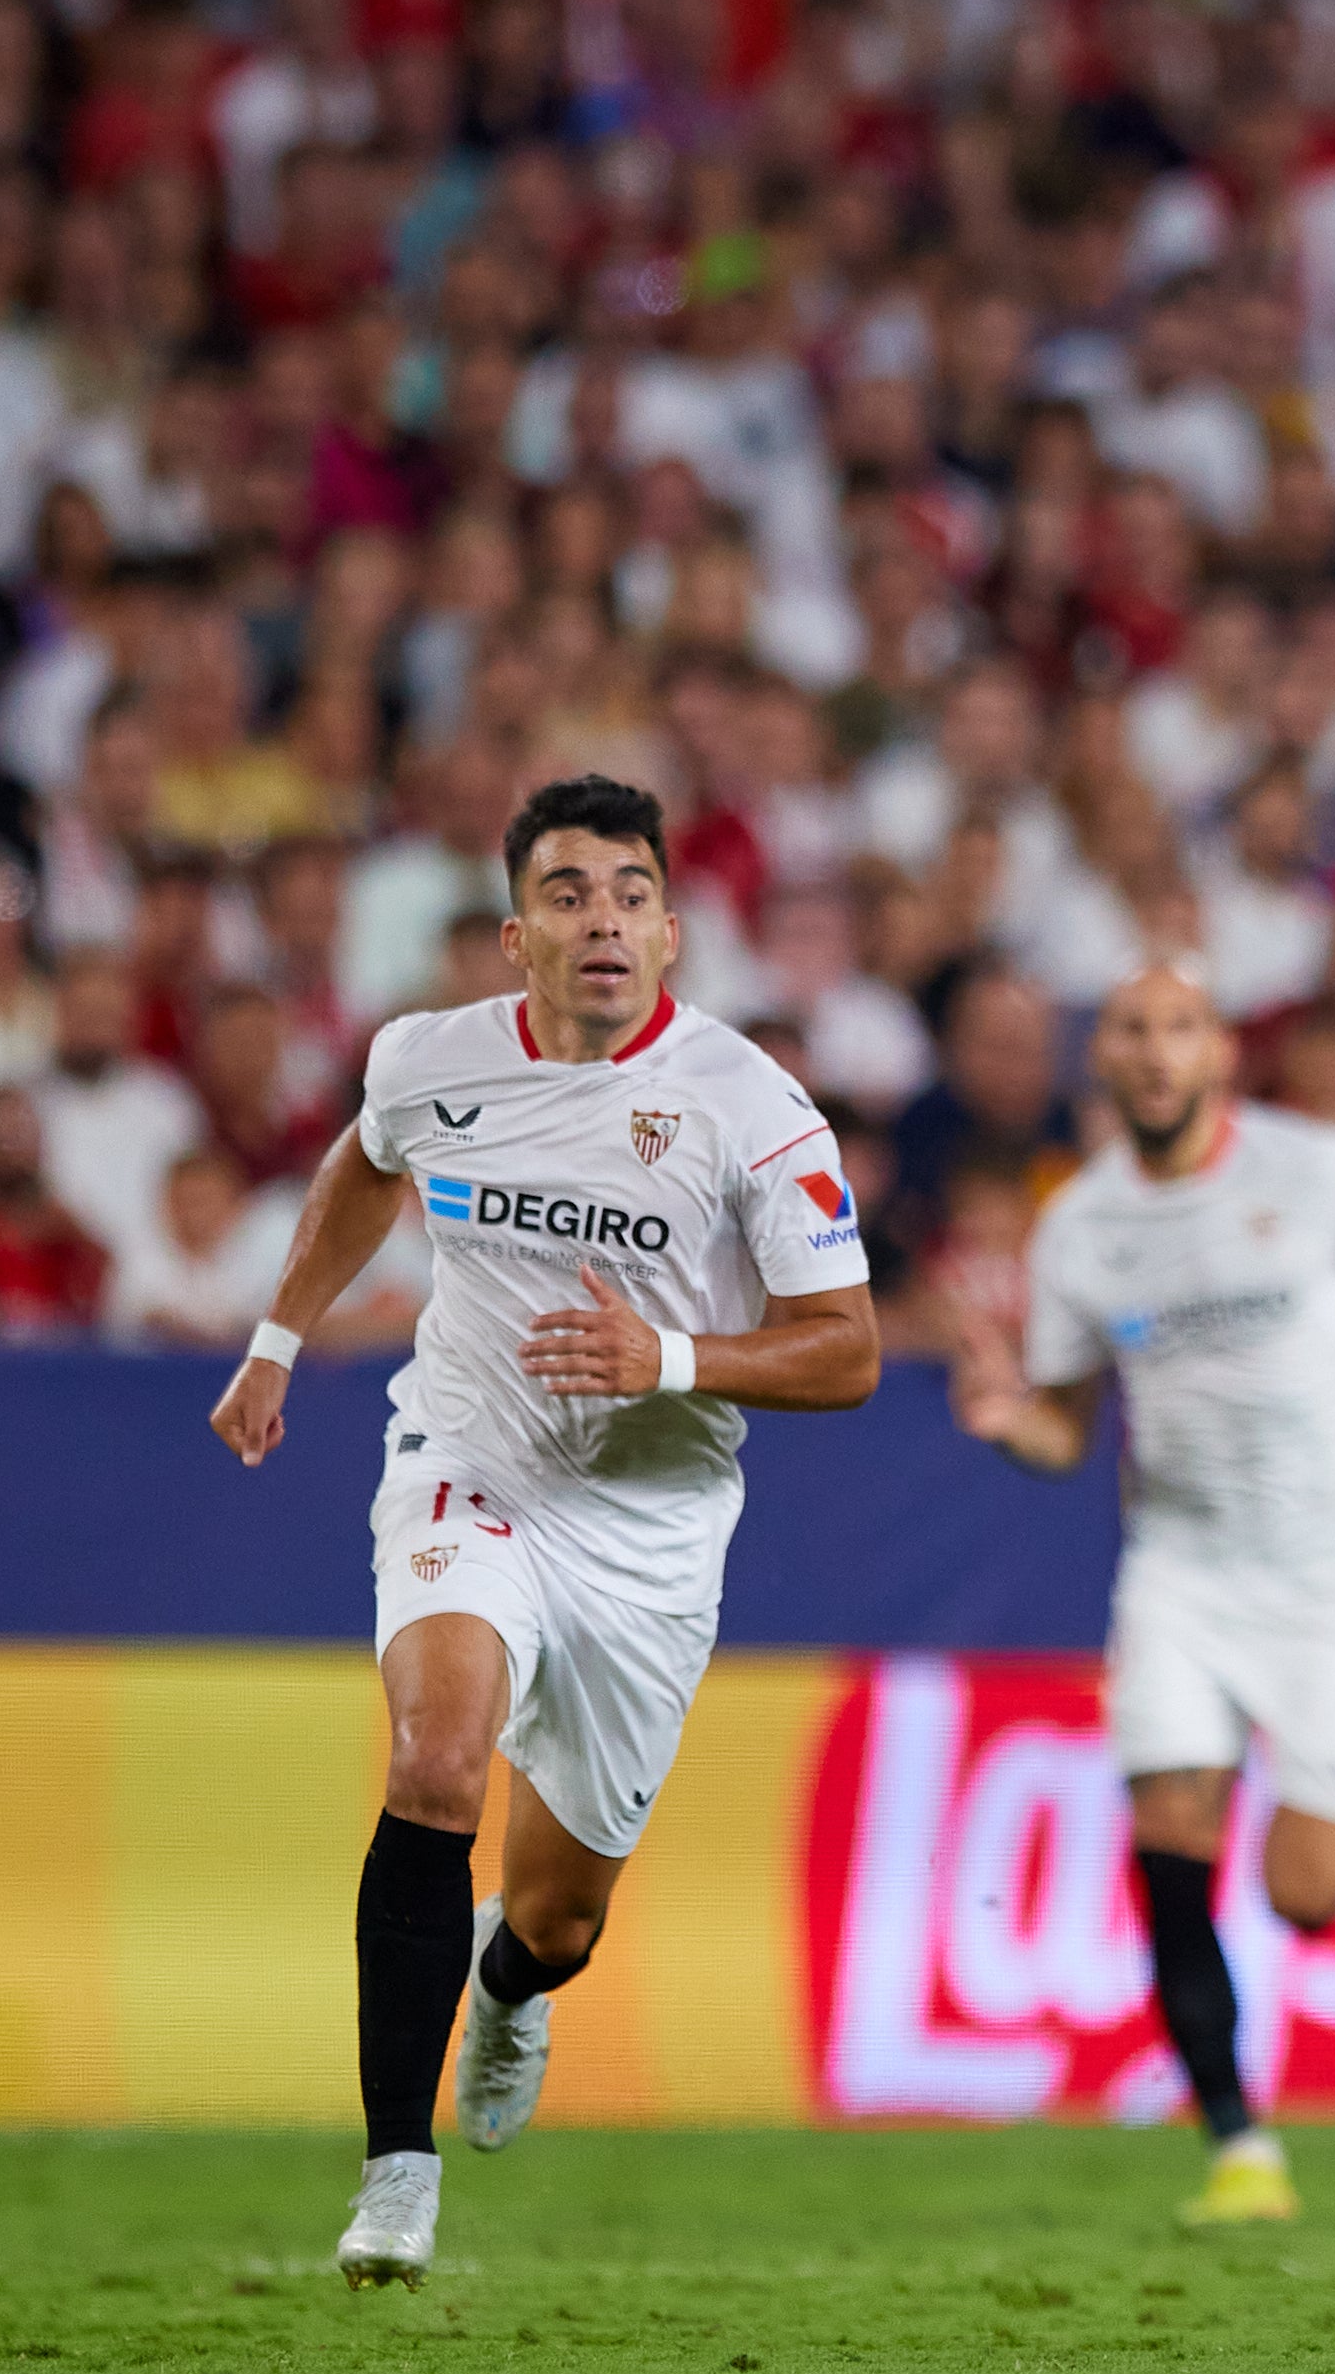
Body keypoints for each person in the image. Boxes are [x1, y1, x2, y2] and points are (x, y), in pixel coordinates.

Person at [209, 775, 881, 2290]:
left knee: (562, 1911)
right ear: (517, 937)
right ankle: (396, 2172)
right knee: (436, 1757)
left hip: (647, 1525)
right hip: (472, 1461)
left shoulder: (752, 1107)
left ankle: (512, 1982)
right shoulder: (429, 1060)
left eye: (632, 893)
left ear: (675, 931)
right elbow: (369, 1163)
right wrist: (277, 1336)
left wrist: (674, 1358)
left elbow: (847, 1346)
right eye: (570, 894)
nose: (604, 921)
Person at [947, 962, 1335, 2229]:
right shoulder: (1082, 1230)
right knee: (1170, 1845)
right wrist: (1009, 1424)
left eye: (1180, 1029)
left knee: (1302, 1893)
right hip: (1182, 1568)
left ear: (1219, 1053)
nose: (1157, 1054)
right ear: (1100, 1062)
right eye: (1131, 1032)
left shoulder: (1318, 1172)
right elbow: (1066, 1429)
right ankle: (1238, 2146)